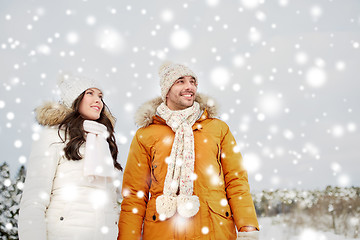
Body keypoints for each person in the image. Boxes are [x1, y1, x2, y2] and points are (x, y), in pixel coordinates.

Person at [118, 62, 259, 240]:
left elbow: (236, 182)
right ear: (166, 90)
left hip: (214, 231)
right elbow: (134, 194)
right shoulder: (145, 135)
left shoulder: (218, 129)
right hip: (163, 231)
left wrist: (247, 227)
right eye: (180, 81)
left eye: (193, 81)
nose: (189, 87)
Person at [18, 74, 122, 240]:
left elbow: (111, 203)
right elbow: (34, 199)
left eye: (100, 96)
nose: (98, 101)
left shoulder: (103, 142)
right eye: (90, 93)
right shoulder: (53, 136)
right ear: (75, 99)